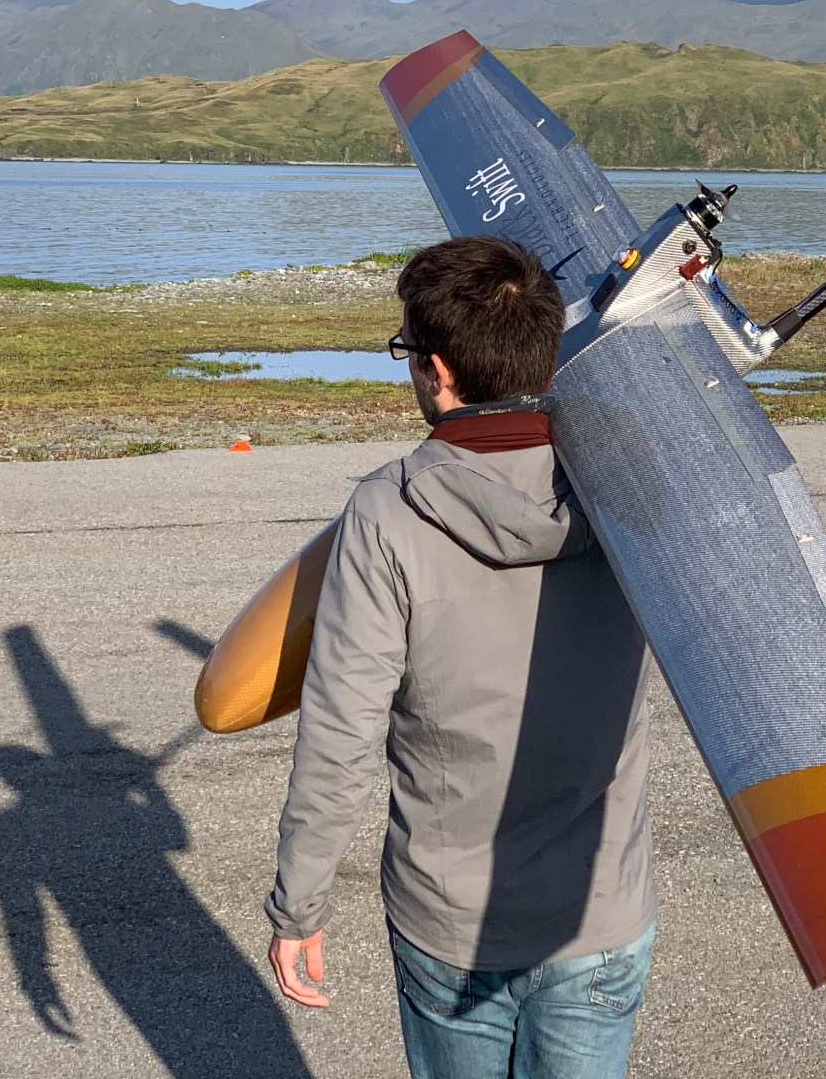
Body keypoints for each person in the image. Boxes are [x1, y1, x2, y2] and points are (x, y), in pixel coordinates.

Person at [264, 235, 655, 1079]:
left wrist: (299, 906)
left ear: (437, 371)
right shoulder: (632, 477)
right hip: (600, 913)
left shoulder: (384, 515)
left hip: (449, 919)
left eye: (407, 352)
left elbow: (341, 735)